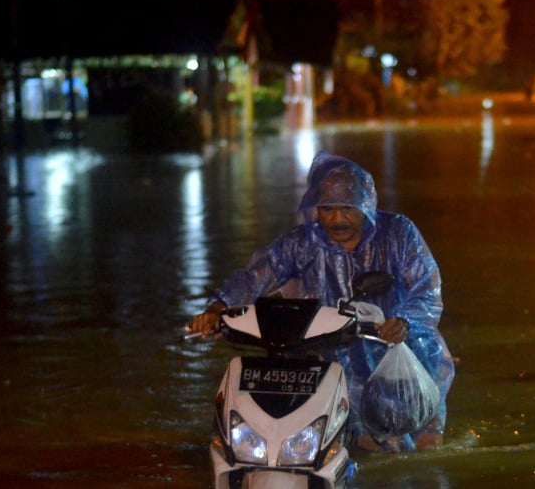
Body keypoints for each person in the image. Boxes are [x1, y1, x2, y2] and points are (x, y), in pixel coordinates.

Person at [187, 152, 455, 452]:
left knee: (426, 445)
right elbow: (256, 277)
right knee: (367, 447)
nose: (337, 219)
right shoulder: (302, 244)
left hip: (407, 358)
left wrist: (405, 320)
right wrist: (217, 308)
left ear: (365, 206)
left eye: (347, 209)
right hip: (343, 363)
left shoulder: (398, 234)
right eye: (328, 209)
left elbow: (427, 286)